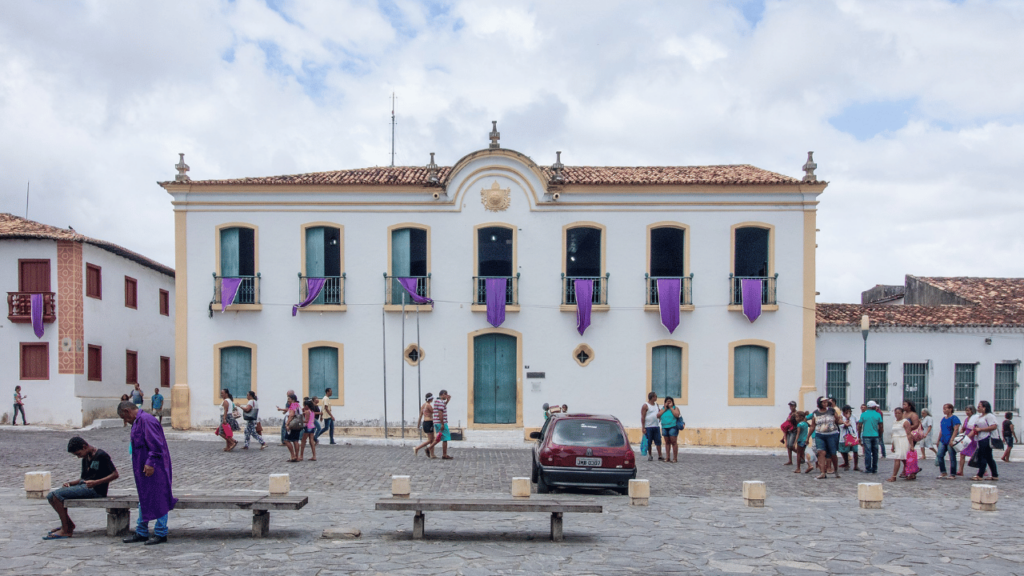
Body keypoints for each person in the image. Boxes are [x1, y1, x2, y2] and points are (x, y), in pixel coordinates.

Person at [118, 401, 176, 545]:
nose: (125, 421)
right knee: (144, 498)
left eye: (124, 418)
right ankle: (142, 531)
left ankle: (161, 532)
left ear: (127, 411)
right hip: (142, 467)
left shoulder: (147, 421)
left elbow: (156, 444)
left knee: (160, 497)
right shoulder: (138, 422)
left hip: (154, 467)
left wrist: (151, 462)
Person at [43, 437, 119, 540]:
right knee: (50, 496)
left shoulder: (101, 455)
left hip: (96, 490)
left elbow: (115, 474)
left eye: (78, 454)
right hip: (85, 486)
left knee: (57, 495)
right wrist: (70, 483)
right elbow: (84, 478)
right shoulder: (86, 458)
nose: (79, 457)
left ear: (84, 447)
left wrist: (96, 482)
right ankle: (68, 525)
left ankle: (66, 530)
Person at [809, 396, 841, 479]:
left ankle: (836, 470)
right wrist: (808, 437)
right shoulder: (815, 413)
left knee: (833, 453)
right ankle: (823, 472)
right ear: (819, 403)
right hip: (820, 435)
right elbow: (813, 426)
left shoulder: (831, 411)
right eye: (823, 402)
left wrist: (843, 421)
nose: (825, 403)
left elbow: (837, 420)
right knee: (821, 453)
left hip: (832, 434)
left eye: (826, 402)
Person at [968, 400, 999, 481]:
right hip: (980, 438)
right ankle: (995, 474)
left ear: (984, 408)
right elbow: (975, 428)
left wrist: (981, 429)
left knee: (982, 456)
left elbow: (994, 426)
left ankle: (980, 475)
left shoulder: (989, 416)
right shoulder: (979, 417)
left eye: (979, 406)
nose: (978, 408)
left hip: (986, 437)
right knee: (989, 457)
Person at [858, 401, 884, 474]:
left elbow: (859, 426)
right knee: (875, 453)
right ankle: (874, 468)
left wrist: (859, 436)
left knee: (867, 453)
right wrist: (880, 435)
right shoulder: (878, 414)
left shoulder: (863, 414)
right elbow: (881, 426)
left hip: (866, 435)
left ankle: (868, 468)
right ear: (874, 407)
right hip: (875, 435)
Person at [936, 403, 960, 479]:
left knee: (952, 457)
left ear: (950, 409)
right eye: (944, 409)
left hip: (950, 439)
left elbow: (956, 429)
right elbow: (941, 430)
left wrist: (952, 439)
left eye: (946, 408)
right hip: (943, 439)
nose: (944, 410)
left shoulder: (954, 418)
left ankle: (952, 473)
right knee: (939, 455)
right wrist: (938, 440)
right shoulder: (943, 419)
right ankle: (943, 472)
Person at [427, 390, 453, 460]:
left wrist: (447, 401)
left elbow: (442, 407)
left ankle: (429, 448)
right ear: (443, 394)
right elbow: (440, 413)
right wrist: (442, 424)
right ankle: (444, 454)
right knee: (445, 438)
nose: (446, 396)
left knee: (439, 437)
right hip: (441, 422)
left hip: (436, 422)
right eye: (446, 395)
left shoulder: (437, 401)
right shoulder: (440, 402)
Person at [887, 407, 910, 482]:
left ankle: (894, 476)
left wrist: (912, 445)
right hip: (896, 441)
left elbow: (909, 434)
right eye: (895, 413)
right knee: (904, 459)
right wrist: (893, 445)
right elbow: (894, 434)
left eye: (899, 413)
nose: (897, 415)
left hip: (903, 441)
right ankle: (912, 472)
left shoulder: (905, 422)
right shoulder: (895, 422)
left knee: (897, 458)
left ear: (902, 413)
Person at [641, 392, 664, 462]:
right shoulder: (646, 406)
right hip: (648, 426)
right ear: (652, 397)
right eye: (655, 397)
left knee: (658, 441)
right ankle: (650, 455)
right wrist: (643, 427)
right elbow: (643, 416)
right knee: (649, 442)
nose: (656, 398)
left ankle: (660, 455)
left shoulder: (656, 405)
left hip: (656, 426)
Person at [658, 397, 682, 463]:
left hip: (673, 426)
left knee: (673, 442)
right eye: (667, 402)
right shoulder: (663, 409)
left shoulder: (675, 408)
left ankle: (675, 458)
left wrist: (671, 408)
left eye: (670, 401)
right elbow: (658, 415)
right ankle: (667, 457)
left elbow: (677, 415)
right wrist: (665, 408)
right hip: (664, 427)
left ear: (672, 402)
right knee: (667, 442)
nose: (668, 403)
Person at [838, 405, 860, 471]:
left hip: (853, 435)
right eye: (847, 411)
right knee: (844, 451)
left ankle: (856, 466)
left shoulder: (853, 416)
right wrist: (847, 419)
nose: (849, 413)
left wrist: (857, 431)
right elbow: (843, 426)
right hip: (844, 436)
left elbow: (857, 423)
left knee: (855, 451)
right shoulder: (841, 417)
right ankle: (846, 463)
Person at [957, 404, 977, 477]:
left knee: (976, 454)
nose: (967, 412)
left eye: (968, 410)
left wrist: (968, 437)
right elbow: (963, 428)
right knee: (962, 454)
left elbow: (974, 429)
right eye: (966, 410)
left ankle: (983, 470)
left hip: (973, 439)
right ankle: (960, 470)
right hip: (966, 438)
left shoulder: (975, 418)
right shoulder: (966, 419)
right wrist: (960, 435)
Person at [414, 392, 435, 458]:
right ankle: (417, 448)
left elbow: (420, 415)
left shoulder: (423, 405)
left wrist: (418, 425)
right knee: (430, 440)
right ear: (430, 399)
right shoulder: (429, 405)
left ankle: (432, 454)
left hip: (425, 422)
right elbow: (433, 412)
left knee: (432, 439)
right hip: (429, 422)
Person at [283, 393, 302, 462]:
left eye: (289, 399)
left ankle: (292, 455)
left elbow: (291, 415)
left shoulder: (293, 405)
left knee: (286, 440)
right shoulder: (298, 405)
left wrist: (287, 424)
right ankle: (296, 456)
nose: (288, 400)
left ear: (293, 399)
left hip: (292, 425)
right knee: (295, 440)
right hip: (298, 425)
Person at [782, 401, 798, 465]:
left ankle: (801, 454)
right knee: (788, 446)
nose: (791, 407)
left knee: (791, 445)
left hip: (794, 430)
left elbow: (797, 421)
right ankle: (790, 460)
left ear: (795, 406)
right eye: (790, 406)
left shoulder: (796, 413)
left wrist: (792, 419)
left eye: (792, 406)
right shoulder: (790, 413)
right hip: (788, 430)